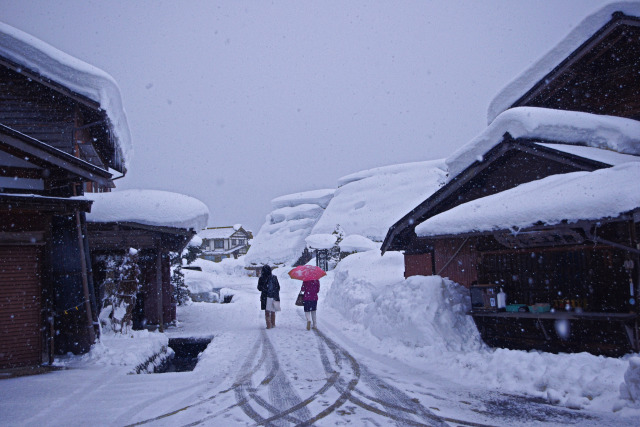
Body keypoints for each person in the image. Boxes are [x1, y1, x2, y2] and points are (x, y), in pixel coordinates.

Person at [257, 265, 280, 329]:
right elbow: (278, 287)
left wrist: (264, 288)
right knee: (273, 311)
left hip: (266, 297)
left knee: (267, 311)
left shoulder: (261, 278)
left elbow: (259, 288)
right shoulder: (274, 277)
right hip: (274, 296)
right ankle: (273, 324)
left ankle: (268, 325)